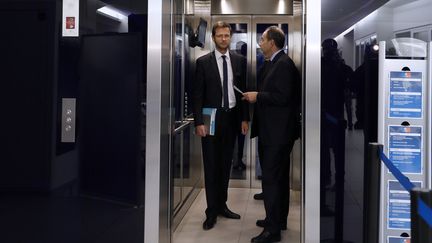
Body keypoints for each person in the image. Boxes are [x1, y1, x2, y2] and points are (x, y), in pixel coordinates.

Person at [243, 26, 300, 243]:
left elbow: (283, 97)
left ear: (272, 43)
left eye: (263, 39)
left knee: (272, 181)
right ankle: (276, 219)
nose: (260, 42)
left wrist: (258, 96)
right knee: (278, 179)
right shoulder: (273, 63)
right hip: (273, 132)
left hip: (278, 134)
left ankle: (272, 231)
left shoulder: (284, 65)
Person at [192, 21, 249, 231]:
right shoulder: (203, 62)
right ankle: (211, 211)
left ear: (230, 37)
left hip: (231, 118)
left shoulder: (240, 60)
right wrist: (198, 122)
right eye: (220, 36)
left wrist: (244, 119)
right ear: (213, 38)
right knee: (211, 165)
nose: (223, 39)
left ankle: (222, 205)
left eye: (227, 35)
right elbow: (197, 95)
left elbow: (243, 92)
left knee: (226, 165)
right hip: (210, 120)